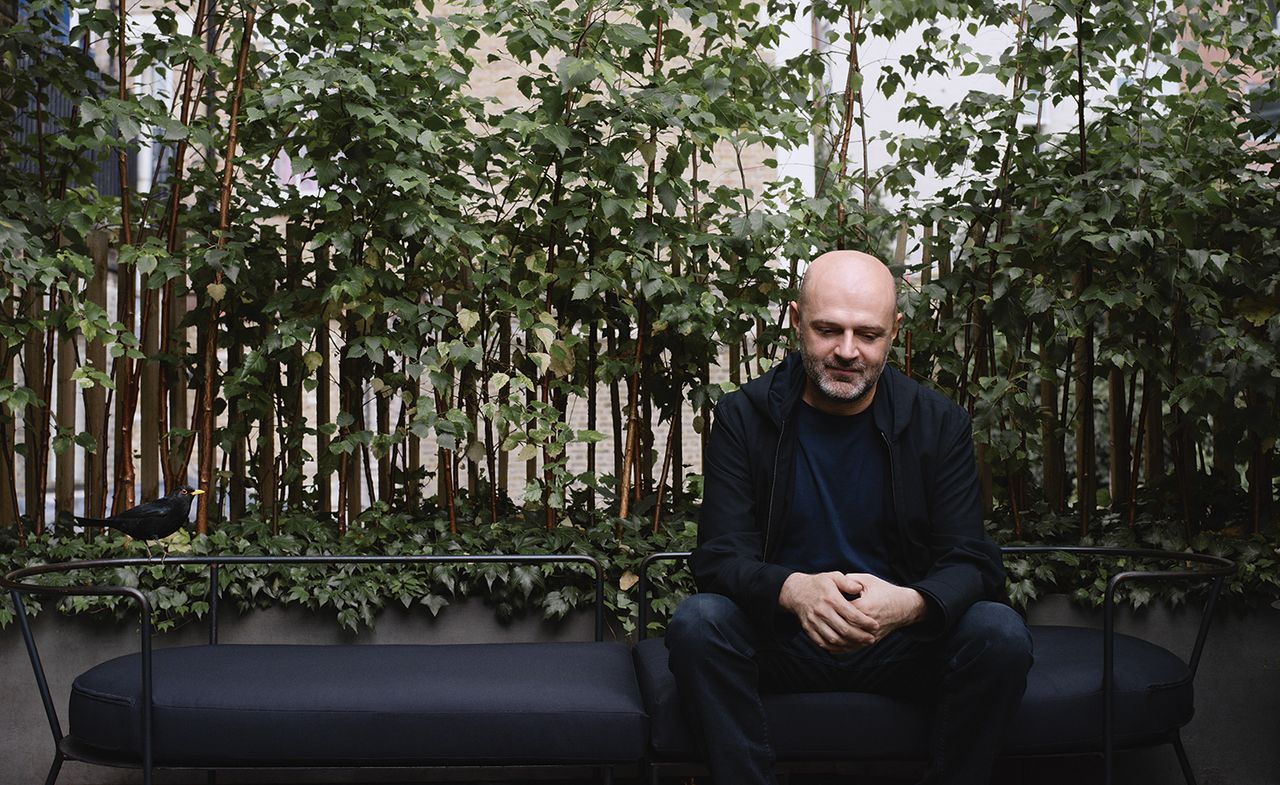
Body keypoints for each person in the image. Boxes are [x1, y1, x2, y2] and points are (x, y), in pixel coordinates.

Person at [665, 250, 1033, 785]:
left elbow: (973, 563)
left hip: (902, 645)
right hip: (784, 640)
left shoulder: (938, 423)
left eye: (868, 335)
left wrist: (909, 604)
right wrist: (793, 591)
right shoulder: (744, 416)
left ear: (895, 332)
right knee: (698, 623)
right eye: (827, 330)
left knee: (999, 632)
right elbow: (718, 558)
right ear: (795, 321)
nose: (846, 351)